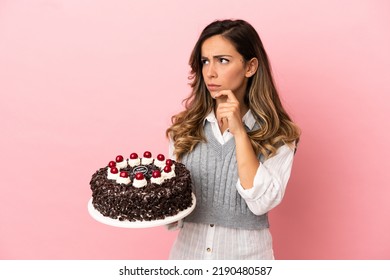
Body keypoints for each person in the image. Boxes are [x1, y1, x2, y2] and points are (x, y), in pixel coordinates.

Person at [165, 19, 300, 260]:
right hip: (187, 256)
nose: (210, 72)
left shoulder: (279, 134)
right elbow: (171, 202)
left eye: (222, 60)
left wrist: (240, 132)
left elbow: (261, 202)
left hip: (246, 260)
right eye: (205, 61)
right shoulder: (185, 129)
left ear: (250, 67)